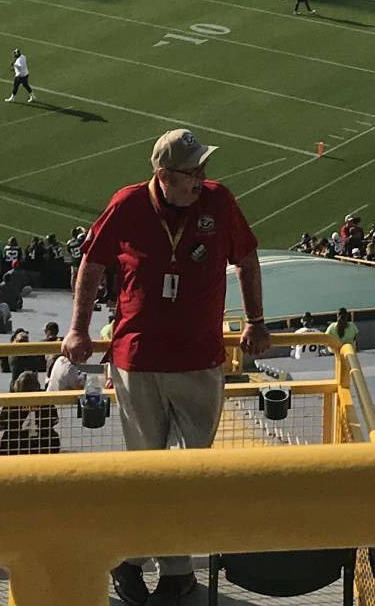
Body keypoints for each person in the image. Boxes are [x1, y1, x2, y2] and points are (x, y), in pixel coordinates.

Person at [64, 129, 266, 606]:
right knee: (145, 471)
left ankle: (167, 570)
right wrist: (79, 329)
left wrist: (256, 320)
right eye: (192, 171)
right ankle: (140, 566)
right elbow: (91, 265)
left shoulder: (218, 201)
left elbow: (248, 258)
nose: (202, 178)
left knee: (190, 475)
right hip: (138, 360)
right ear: (163, 176)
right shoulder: (129, 203)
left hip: (199, 359)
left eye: (203, 169)